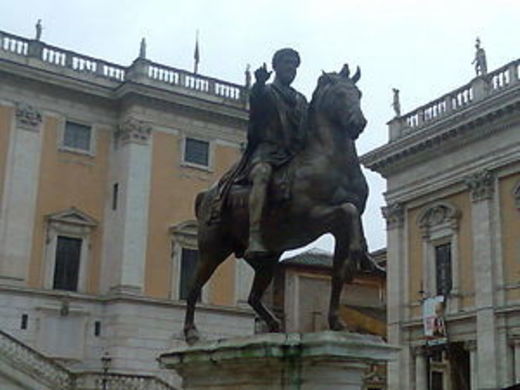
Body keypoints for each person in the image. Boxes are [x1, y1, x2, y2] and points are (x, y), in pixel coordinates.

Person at [244, 48, 308, 259]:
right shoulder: (267, 92)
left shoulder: (301, 100)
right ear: (276, 67)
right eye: (287, 63)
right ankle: (254, 234)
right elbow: (256, 101)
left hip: (293, 155)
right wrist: (259, 83)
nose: (291, 68)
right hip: (268, 152)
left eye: (294, 65)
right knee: (262, 174)